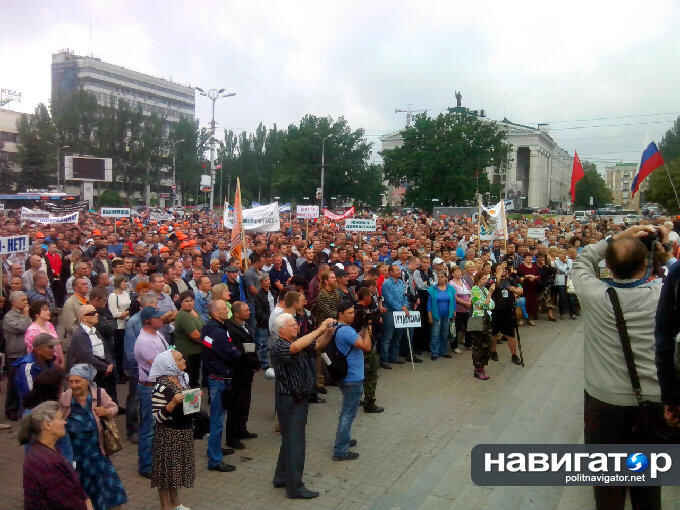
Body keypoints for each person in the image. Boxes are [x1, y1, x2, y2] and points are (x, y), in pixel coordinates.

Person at [574, 225, 673, 510]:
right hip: (652, 405)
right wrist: (664, 252)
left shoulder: (593, 294)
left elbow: (582, 260)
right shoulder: (663, 295)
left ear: (608, 266)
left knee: (607, 488)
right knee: (647, 487)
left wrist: (617, 237)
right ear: (644, 265)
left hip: (604, 405)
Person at [270, 313, 335, 499]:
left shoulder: (297, 341)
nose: (296, 327)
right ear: (281, 330)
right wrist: (320, 329)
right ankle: (295, 487)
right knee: (296, 443)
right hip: (290, 399)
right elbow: (296, 347)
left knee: (289, 441)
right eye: (292, 325)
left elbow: (317, 346)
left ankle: (281, 476)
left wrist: (328, 333)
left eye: (296, 324)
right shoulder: (279, 345)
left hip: (298, 398)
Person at [60, 364, 127, 510]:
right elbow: (58, 417)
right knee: (84, 496)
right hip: (76, 457)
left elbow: (114, 407)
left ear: (87, 381)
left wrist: (106, 412)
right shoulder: (65, 397)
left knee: (112, 493)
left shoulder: (98, 393)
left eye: (77, 381)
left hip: (98, 454)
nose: (74, 385)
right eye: (71, 381)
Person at [20, 400, 94, 510]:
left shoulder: (45, 450)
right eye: (60, 418)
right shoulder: (47, 463)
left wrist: (86, 499)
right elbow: (66, 502)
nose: (65, 422)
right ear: (47, 425)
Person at [149, 350, 195, 510]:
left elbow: (187, 405)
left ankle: (176, 504)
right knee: (165, 475)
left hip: (182, 431)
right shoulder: (161, 386)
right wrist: (173, 403)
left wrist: (194, 398)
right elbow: (157, 417)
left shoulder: (181, 378)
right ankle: (166, 506)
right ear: (169, 364)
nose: (184, 360)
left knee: (175, 473)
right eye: (179, 359)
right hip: (168, 435)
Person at [201, 299, 242, 472]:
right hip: (219, 378)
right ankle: (215, 460)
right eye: (225, 309)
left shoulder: (209, 328)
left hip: (214, 376)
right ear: (216, 313)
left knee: (217, 418)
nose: (228, 311)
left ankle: (214, 449)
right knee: (217, 420)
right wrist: (237, 351)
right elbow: (231, 353)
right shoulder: (218, 332)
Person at [332, 299, 372, 461]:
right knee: (348, 414)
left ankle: (345, 439)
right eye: (349, 313)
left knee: (347, 412)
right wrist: (367, 329)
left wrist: (362, 331)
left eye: (353, 312)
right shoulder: (346, 331)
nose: (353, 315)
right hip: (352, 377)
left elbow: (355, 340)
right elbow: (367, 347)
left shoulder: (338, 327)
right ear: (340, 314)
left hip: (346, 375)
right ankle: (341, 450)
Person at [134, 306, 170, 478]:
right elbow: (160, 365)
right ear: (148, 321)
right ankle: (146, 466)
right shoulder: (144, 341)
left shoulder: (157, 334)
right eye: (157, 317)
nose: (161, 319)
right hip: (149, 388)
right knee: (149, 428)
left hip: (158, 385)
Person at [224, 301, 261, 449]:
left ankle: (241, 429)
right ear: (237, 314)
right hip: (238, 373)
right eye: (246, 310)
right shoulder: (232, 329)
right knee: (236, 406)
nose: (249, 312)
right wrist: (253, 363)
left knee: (245, 403)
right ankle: (232, 438)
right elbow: (242, 353)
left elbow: (250, 348)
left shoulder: (245, 326)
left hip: (247, 372)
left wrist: (255, 363)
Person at [353, 287, 384, 413]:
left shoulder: (353, 309)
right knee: (370, 374)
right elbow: (368, 326)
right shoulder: (362, 312)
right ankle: (369, 402)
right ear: (365, 297)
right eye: (370, 296)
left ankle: (356, 398)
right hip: (365, 345)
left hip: (356, 345)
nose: (371, 298)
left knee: (358, 374)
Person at [4, 291, 32, 420]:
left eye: (26, 300)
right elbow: (22, 328)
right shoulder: (9, 317)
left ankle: (21, 408)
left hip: (25, 353)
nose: (26, 303)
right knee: (13, 384)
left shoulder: (25, 315)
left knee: (23, 382)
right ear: (14, 302)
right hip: (14, 355)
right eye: (23, 300)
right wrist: (26, 316)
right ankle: (11, 409)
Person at [14, 333, 58, 411]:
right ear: (38, 350)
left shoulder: (49, 362)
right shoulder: (27, 367)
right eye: (50, 347)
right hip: (33, 411)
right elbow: (31, 395)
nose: (54, 350)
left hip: (48, 406)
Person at [490, 263, 522, 365]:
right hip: (496, 311)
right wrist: (498, 276)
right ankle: (493, 351)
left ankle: (514, 355)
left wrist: (514, 289)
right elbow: (494, 287)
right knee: (494, 333)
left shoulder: (510, 280)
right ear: (494, 272)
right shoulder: (491, 280)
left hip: (508, 311)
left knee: (510, 334)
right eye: (499, 268)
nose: (503, 269)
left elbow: (520, 290)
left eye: (503, 268)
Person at [174, 290, 204, 387]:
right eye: (186, 301)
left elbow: (203, 327)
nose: (189, 303)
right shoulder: (183, 315)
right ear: (181, 303)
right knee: (190, 381)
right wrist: (208, 343)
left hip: (195, 352)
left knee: (195, 378)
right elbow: (195, 336)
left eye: (191, 300)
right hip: (188, 354)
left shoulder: (192, 312)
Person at [469, 272, 495, 380]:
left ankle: (482, 367)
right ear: (478, 279)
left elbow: (492, 305)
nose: (486, 280)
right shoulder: (474, 289)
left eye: (486, 278)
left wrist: (487, 301)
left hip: (486, 319)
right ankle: (478, 369)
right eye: (484, 278)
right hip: (476, 320)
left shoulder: (484, 289)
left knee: (487, 345)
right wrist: (490, 294)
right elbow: (481, 305)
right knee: (478, 346)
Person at [25, 299, 65, 369]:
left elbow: (57, 344)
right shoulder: (32, 331)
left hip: (56, 363)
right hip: (43, 366)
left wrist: (62, 359)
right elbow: (35, 352)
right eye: (45, 310)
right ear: (37, 314)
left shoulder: (49, 324)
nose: (48, 312)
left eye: (48, 310)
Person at [427, 271, 456, 360]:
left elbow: (453, 301)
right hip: (436, 315)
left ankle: (444, 351)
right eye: (438, 277)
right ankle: (434, 353)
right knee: (435, 334)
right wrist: (430, 316)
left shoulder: (451, 289)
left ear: (446, 278)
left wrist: (454, 312)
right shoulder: (432, 289)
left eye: (442, 277)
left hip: (447, 315)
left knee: (445, 334)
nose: (440, 279)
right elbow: (429, 305)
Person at [108, 275, 131, 382]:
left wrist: (127, 313)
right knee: (119, 351)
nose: (125, 284)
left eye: (126, 282)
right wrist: (125, 313)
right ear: (118, 283)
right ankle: (119, 374)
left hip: (127, 324)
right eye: (123, 282)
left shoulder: (126, 293)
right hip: (118, 326)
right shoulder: (113, 296)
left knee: (125, 350)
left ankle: (124, 371)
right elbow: (114, 313)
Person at [254, 275, 273, 368]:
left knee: (270, 343)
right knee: (263, 344)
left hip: (272, 320)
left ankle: (269, 361)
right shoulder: (259, 295)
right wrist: (267, 320)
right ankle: (263, 363)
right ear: (261, 283)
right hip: (264, 323)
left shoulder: (272, 291)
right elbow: (259, 312)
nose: (268, 281)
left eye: (268, 279)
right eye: (265, 280)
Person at [450, 266, 471, 352]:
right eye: (457, 271)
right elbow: (455, 297)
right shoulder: (451, 284)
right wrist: (466, 303)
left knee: (468, 327)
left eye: (459, 271)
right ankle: (454, 347)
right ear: (452, 274)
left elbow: (470, 292)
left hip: (466, 309)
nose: (459, 273)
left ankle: (468, 344)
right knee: (456, 328)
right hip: (458, 309)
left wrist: (469, 301)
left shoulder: (464, 281)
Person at [517, 254, 539, 325]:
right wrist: (527, 276)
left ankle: (530, 319)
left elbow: (538, 275)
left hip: (533, 287)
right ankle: (522, 318)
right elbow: (519, 277)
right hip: (524, 288)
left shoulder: (535, 266)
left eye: (530, 257)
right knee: (524, 303)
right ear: (524, 258)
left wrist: (534, 277)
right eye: (528, 257)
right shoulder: (521, 267)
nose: (530, 258)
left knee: (532, 303)